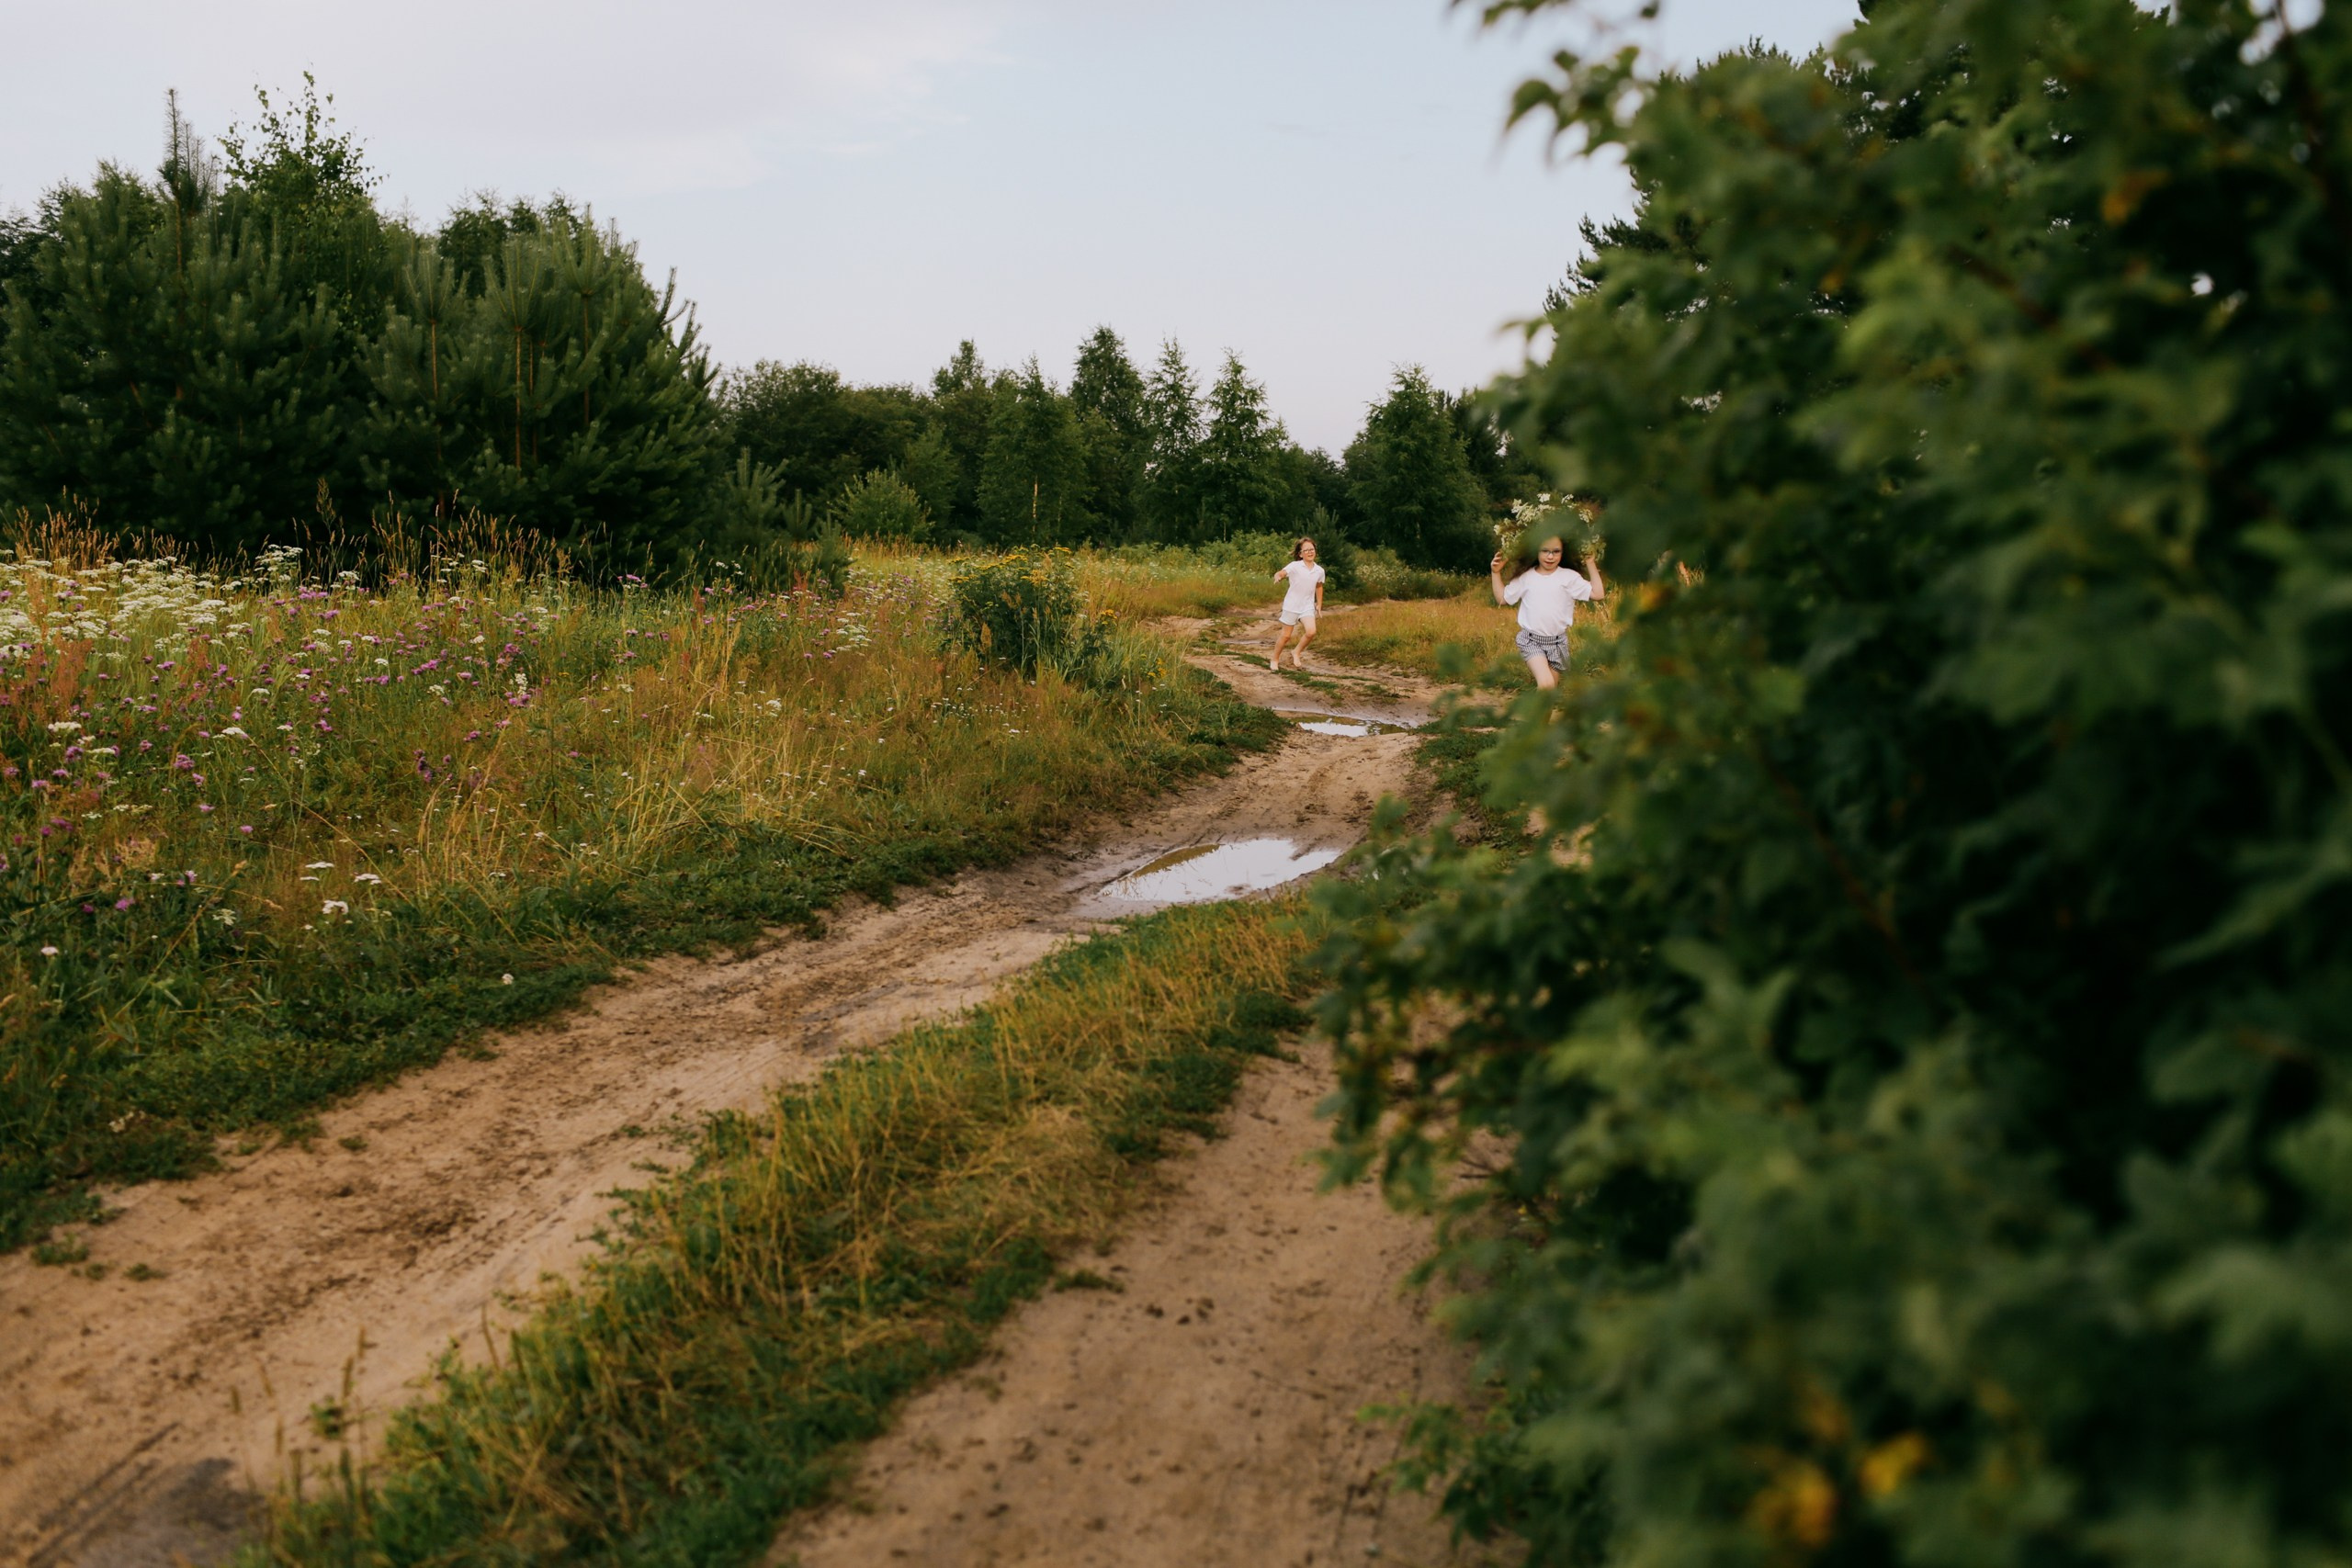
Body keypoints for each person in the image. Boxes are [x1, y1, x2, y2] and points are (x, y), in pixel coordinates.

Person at [1491, 533, 1603, 691]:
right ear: (1537, 551)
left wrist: (1590, 563)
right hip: (1531, 641)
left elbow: (1598, 594)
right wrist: (1495, 573)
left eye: (1556, 551)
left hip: (1558, 644)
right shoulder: (1526, 577)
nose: (1550, 556)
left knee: (1548, 695)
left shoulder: (1569, 577)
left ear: (1563, 553)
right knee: (1546, 685)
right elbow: (1502, 599)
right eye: (1545, 551)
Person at [1269, 538, 1325, 671]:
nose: (1310, 552)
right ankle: (1275, 659)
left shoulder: (1319, 570)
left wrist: (1319, 604)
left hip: (1307, 606)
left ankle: (1296, 652)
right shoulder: (1295, 566)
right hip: (1292, 605)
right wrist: (1278, 576)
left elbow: (1319, 586)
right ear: (1301, 554)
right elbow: (1282, 572)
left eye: (1312, 549)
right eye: (1306, 550)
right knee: (1286, 636)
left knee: (1311, 632)